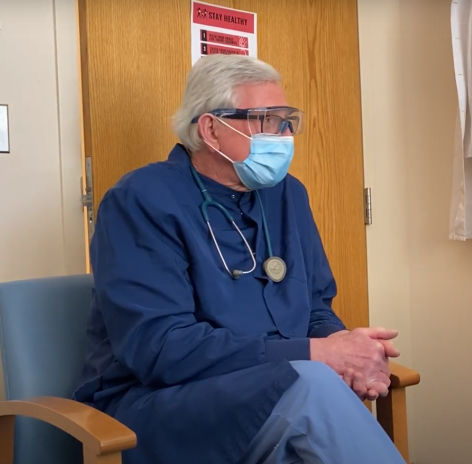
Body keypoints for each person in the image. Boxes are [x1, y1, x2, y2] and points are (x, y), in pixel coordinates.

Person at [72, 55, 407, 464]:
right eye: (265, 120)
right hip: (160, 405)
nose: (282, 135)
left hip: (280, 394)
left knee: (316, 393)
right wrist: (318, 355)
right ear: (211, 128)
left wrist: (344, 348)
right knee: (315, 385)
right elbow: (161, 348)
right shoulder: (140, 200)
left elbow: (316, 306)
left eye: (286, 120)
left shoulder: (288, 194)